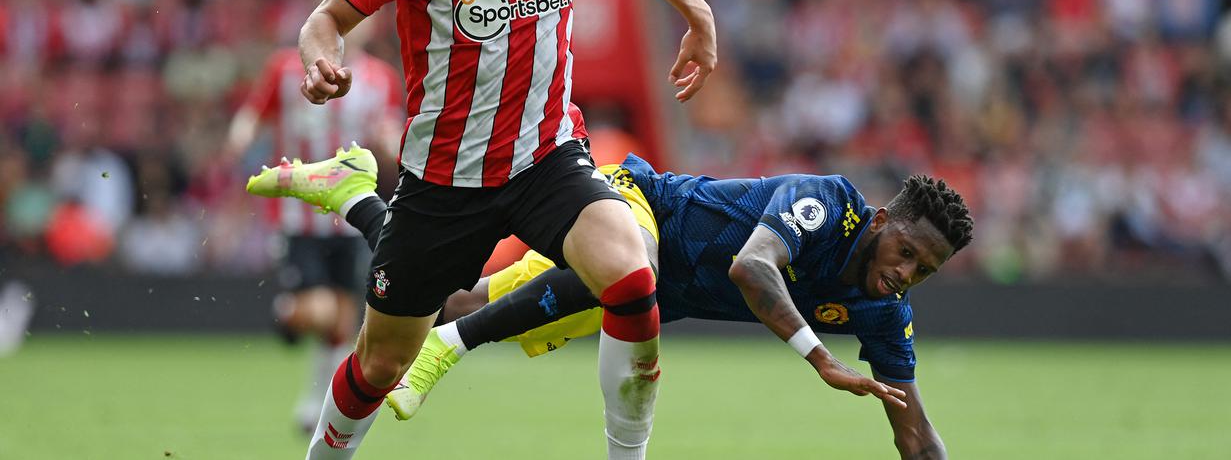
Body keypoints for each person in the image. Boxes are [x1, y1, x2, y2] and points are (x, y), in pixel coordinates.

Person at [290, 0, 717, 459]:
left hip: (546, 157)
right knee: (380, 363)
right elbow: (326, 20)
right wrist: (320, 62)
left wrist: (693, 8)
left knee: (632, 277)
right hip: (444, 180)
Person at [250, 148, 970, 460]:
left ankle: (353, 192)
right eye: (906, 251)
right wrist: (819, 359)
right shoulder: (829, 204)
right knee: (635, 275)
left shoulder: (883, 311)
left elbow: (914, 433)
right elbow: (753, 268)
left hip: (644, 300)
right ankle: (451, 350)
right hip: (633, 205)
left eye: (924, 270)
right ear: (882, 220)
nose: (905, 273)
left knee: (448, 303)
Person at [223, 24, 403, 433]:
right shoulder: (286, 69)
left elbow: (388, 127)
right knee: (320, 310)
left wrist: (397, 148)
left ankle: (315, 403)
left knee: (342, 320)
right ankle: (285, 313)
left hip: (353, 214)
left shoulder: (380, 78)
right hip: (298, 213)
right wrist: (240, 138)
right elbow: (256, 112)